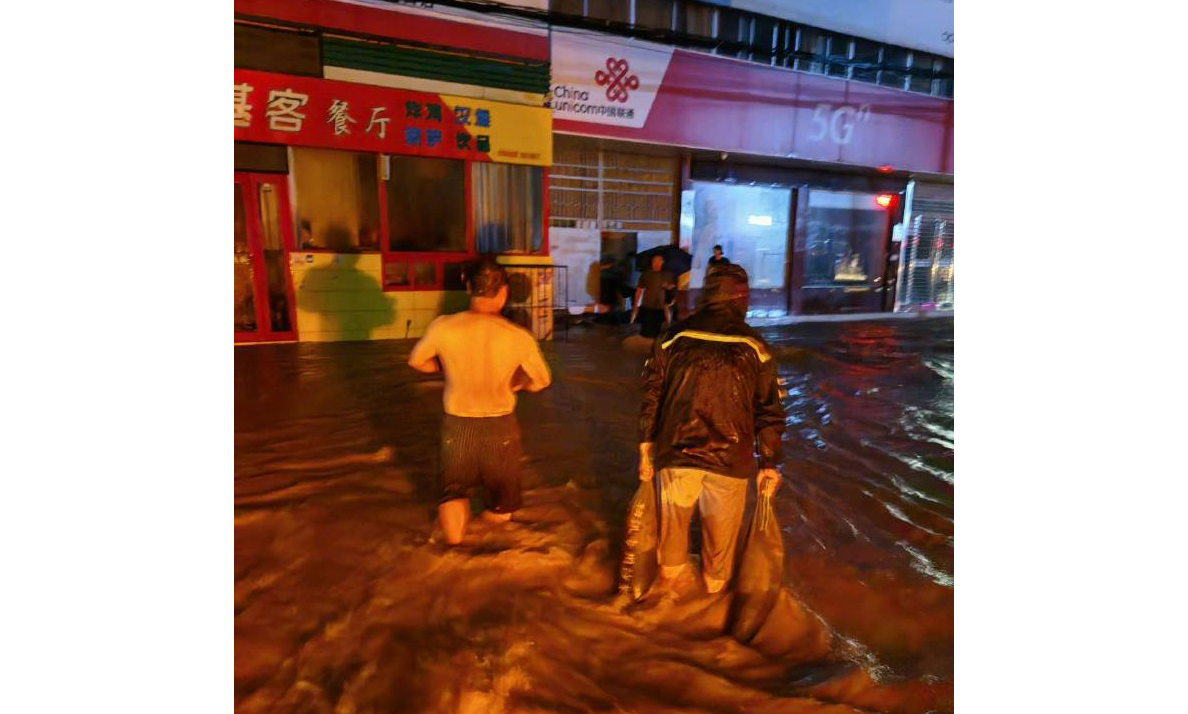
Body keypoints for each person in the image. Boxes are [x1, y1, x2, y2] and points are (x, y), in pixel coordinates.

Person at [637, 264, 785, 597]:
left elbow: (651, 395)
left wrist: (646, 445)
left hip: (676, 457)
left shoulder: (673, 337)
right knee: (718, 566)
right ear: (741, 298)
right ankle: (710, 624)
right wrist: (770, 463)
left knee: (669, 556)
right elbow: (770, 410)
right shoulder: (756, 346)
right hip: (729, 464)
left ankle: (661, 616)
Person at [408, 257, 552, 545]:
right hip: (501, 428)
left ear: (468, 288)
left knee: (453, 493)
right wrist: (517, 383)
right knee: (502, 509)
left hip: (458, 426)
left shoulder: (443, 327)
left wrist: (443, 367)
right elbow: (542, 381)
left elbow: (416, 361)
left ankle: (453, 552)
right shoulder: (518, 337)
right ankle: (485, 543)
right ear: (504, 292)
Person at [631, 254, 675, 339]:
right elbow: (639, 289)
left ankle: (654, 349)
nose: (656, 263)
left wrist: (667, 286)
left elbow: (672, 287)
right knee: (645, 331)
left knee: (658, 333)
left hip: (660, 306)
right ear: (652, 262)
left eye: (659, 261)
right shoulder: (646, 274)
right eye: (654, 261)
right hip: (647, 305)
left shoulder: (667, 274)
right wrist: (636, 304)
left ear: (662, 262)